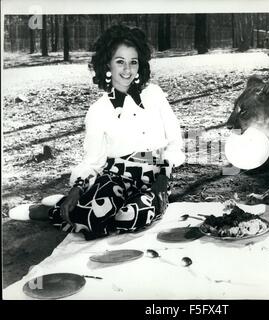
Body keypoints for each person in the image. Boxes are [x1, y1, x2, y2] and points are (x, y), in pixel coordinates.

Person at [29, 25, 185, 240]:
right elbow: (94, 160)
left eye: (133, 62)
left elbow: (175, 143)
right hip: (116, 176)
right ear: (107, 65)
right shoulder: (98, 110)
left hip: (154, 177)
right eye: (120, 61)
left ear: (140, 65)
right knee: (94, 215)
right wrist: (77, 188)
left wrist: (164, 175)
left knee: (130, 217)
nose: (127, 69)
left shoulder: (155, 95)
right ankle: (58, 210)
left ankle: (78, 210)